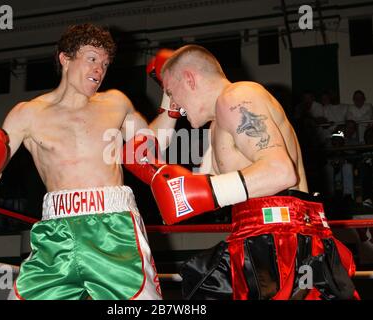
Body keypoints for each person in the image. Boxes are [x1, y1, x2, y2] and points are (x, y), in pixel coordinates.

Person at [0, 23, 177, 300]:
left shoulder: (115, 103)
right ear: (65, 58)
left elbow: (151, 148)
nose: (99, 70)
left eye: (105, 63)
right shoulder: (27, 114)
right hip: (55, 232)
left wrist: (171, 99)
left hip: (113, 229)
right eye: (92, 59)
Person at [127, 44, 360, 300]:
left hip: (282, 238)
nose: (174, 102)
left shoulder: (236, 97)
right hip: (256, 236)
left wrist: (202, 190)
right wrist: (166, 124)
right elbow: (181, 183)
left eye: (171, 92)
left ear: (190, 79)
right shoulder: (217, 125)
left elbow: (280, 172)